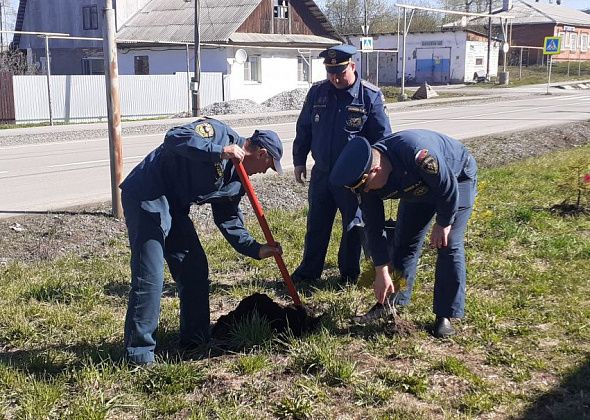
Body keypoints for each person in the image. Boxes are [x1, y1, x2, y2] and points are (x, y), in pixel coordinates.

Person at [119, 117, 284, 365]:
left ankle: (194, 341)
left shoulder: (237, 180)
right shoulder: (219, 135)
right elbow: (173, 138)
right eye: (268, 165)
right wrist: (219, 152)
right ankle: (139, 355)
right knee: (150, 274)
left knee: (194, 268)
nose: (264, 172)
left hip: (176, 207)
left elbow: (228, 219)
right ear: (261, 153)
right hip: (147, 194)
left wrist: (257, 249)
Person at [329, 130, 477, 338]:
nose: (366, 192)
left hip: (456, 178)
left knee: (449, 243)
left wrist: (443, 223)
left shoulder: (419, 155)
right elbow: (374, 227)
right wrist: (381, 270)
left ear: (376, 170)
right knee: (404, 243)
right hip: (418, 190)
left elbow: (448, 187)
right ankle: (390, 304)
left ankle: (445, 315)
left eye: (366, 187)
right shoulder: (366, 185)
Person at [291, 44, 392, 284]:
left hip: (352, 178)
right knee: (316, 224)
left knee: (352, 228)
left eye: (340, 72)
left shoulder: (370, 96)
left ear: (353, 67)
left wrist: (373, 174)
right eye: (331, 72)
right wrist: (298, 160)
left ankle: (348, 275)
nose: (335, 77)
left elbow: (382, 139)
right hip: (322, 173)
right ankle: (309, 272)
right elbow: (304, 128)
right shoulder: (317, 93)